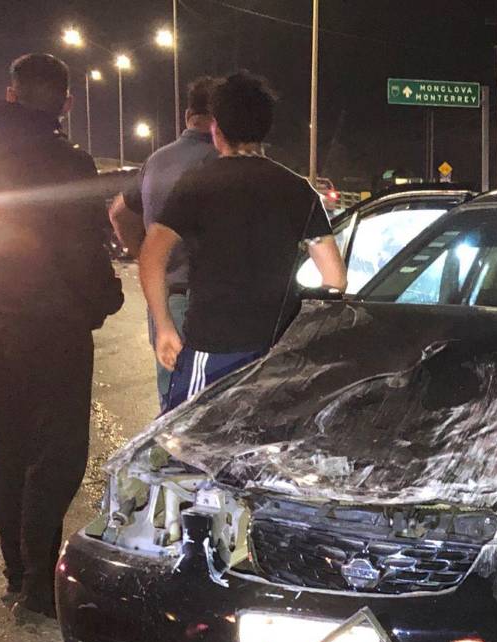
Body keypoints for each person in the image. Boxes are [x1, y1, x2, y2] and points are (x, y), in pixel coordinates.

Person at [0, 54, 123, 618]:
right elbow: (82, 248)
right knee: (58, 454)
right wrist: (104, 298)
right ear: (66, 102)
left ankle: (19, 576)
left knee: (10, 450)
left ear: (11, 94)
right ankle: (38, 588)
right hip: (54, 325)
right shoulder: (70, 162)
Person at [139, 70, 346, 412]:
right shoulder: (298, 190)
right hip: (274, 351)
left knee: (196, 436)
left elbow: (152, 256)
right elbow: (335, 279)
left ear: (216, 128)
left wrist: (164, 327)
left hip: (210, 346)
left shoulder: (196, 184)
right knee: (260, 439)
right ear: (265, 130)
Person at [109, 76, 218, 405]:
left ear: (188, 115)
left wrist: (146, 258)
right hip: (211, 303)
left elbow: (118, 213)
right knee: (212, 407)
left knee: (173, 403)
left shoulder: (156, 161)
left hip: (166, 301)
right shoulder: (224, 163)